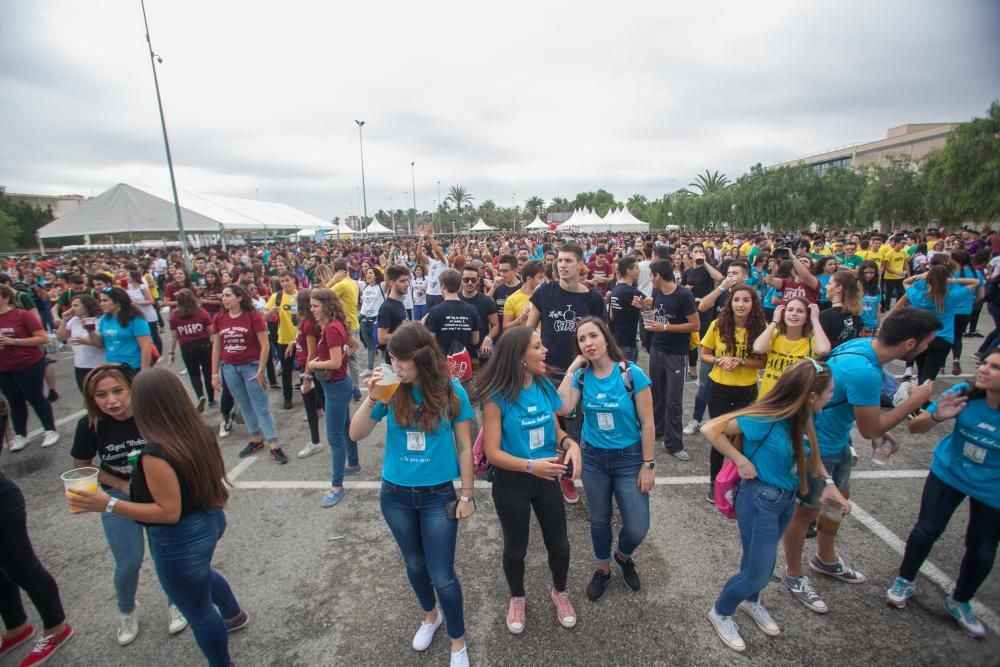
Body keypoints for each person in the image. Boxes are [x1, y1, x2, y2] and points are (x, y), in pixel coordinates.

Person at [67, 369, 249, 667]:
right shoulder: (194, 429)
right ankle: (233, 614)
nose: (118, 402)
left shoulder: (155, 452)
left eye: (127, 394)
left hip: (179, 537)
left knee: (199, 612)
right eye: (102, 395)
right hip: (209, 519)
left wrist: (107, 503)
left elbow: (167, 512)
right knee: (200, 574)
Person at [781, 307, 941, 614]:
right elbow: (871, 430)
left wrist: (881, 428)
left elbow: (864, 417)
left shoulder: (861, 346)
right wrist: (915, 401)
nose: (926, 349)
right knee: (804, 513)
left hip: (837, 441)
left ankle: (825, 559)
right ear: (910, 344)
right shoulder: (864, 371)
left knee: (836, 504)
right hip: (818, 446)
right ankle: (793, 573)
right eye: (926, 343)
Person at [349, 322, 475, 667]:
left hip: (438, 496)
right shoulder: (390, 389)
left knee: (443, 574)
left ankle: (457, 641)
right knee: (414, 564)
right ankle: (430, 616)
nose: (395, 366)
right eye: (391, 358)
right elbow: (356, 433)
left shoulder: (451, 389)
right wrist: (372, 396)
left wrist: (467, 495)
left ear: (421, 358)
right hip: (396, 494)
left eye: (400, 360)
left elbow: (465, 447)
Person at [703, 359, 833, 652]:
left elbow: (810, 456)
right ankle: (721, 611)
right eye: (829, 392)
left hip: (785, 500)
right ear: (811, 396)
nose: (831, 397)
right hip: (760, 498)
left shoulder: (805, 415)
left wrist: (830, 487)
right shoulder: (766, 417)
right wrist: (741, 460)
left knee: (761, 561)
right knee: (758, 572)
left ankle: (751, 601)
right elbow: (711, 428)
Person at [473, 326, 583, 634]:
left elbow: (557, 431)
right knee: (515, 549)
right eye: (537, 346)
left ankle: (560, 591)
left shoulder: (545, 387)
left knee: (559, 545)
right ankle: (517, 597)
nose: (545, 350)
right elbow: (493, 452)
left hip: (547, 478)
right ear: (520, 357)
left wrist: (568, 444)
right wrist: (530, 465)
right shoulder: (497, 397)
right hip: (512, 483)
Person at [886, 347, 1000, 638]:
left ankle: (960, 600)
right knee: (927, 529)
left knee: (983, 549)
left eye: (995, 367)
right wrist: (936, 417)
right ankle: (905, 579)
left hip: (992, 488)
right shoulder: (964, 393)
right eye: (985, 363)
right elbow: (914, 428)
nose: (984, 369)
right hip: (948, 472)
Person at [70, 366, 188, 645]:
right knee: (128, 562)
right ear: (91, 398)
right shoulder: (90, 425)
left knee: (166, 556)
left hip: (156, 494)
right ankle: (126, 610)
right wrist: (120, 486)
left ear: (132, 388)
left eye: (117, 391)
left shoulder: (150, 415)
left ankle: (176, 603)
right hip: (117, 496)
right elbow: (82, 466)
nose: (111, 400)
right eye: (101, 395)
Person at [557, 318, 655, 601]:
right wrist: (571, 369)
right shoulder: (582, 377)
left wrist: (648, 465)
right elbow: (563, 406)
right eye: (581, 339)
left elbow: (648, 423)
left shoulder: (632, 374)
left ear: (605, 338)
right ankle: (602, 569)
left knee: (637, 526)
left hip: (629, 459)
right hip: (594, 458)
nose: (588, 343)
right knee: (599, 520)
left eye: (593, 336)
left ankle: (623, 557)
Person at [526, 243, 605, 503]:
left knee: (575, 426)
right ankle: (544, 472)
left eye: (568, 260)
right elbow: (528, 331)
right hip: (547, 372)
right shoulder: (544, 292)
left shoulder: (592, 298)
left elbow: (604, 336)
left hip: (580, 374)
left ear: (581, 264)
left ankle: (568, 476)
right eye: (559, 260)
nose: (562, 265)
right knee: (546, 424)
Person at [0, 397, 75, 667]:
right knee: (4, 569)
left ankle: (56, 628)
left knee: (23, 569)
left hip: (3, 503)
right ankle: (16, 627)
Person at [700, 285, 767, 501]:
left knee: (742, 436)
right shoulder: (718, 324)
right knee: (719, 435)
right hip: (719, 387)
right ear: (730, 302)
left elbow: (763, 361)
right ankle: (715, 482)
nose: (741, 304)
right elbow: (705, 354)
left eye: (746, 300)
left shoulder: (760, 327)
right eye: (737, 300)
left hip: (746, 389)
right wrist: (719, 360)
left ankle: (737, 480)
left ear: (753, 304)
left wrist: (741, 361)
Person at [211, 285, 288, 464]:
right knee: (244, 405)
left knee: (261, 407)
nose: (224, 298)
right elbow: (216, 347)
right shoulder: (219, 318)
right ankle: (255, 439)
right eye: (222, 295)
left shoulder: (252, 316)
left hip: (251, 367)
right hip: (229, 367)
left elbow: (265, 345)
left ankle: (274, 444)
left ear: (239, 298)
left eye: (228, 295)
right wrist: (214, 374)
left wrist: (261, 370)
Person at [304, 288, 359, 507]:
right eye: (311, 306)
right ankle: (353, 464)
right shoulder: (335, 326)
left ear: (327, 305)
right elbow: (352, 346)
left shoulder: (331, 329)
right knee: (345, 428)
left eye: (315, 306)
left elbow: (335, 362)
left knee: (335, 438)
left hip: (335, 386)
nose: (312, 310)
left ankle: (337, 486)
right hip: (338, 384)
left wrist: (313, 363)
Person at [643, 259, 700, 461]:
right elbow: (655, 316)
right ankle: (658, 431)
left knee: (674, 400)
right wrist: (642, 306)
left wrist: (665, 328)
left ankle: (674, 444)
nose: (650, 279)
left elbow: (695, 325)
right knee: (657, 394)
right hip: (657, 349)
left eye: (651, 275)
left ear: (657, 276)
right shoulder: (657, 292)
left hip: (676, 353)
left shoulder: (684, 295)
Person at [896, 261, 979, 384]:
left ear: (928, 280)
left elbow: (905, 282)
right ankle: (922, 399)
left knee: (921, 370)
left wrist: (918, 276)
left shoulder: (919, 297)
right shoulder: (951, 296)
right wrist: (952, 281)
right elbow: (975, 282)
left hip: (921, 337)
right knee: (929, 375)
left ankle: (919, 397)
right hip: (943, 338)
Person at [0, 285, 59, 451]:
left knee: (35, 397)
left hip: (28, 364)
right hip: (4, 368)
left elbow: (42, 338)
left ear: (5, 299)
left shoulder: (21, 315)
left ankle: (50, 430)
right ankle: (21, 434)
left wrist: (15, 342)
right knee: (14, 401)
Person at [752, 297, 830, 398]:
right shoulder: (775, 335)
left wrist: (815, 320)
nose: (794, 313)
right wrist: (775, 321)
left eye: (800, 311)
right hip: (767, 399)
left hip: (793, 402)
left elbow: (823, 350)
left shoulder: (811, 341)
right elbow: (758, 348)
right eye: (790, 310)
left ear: (807, 317)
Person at [168, 289, 215, 412]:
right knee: (208, 372)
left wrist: (171, 352)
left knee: (193, 374)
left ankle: (200, 395)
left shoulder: (174, 315)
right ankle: (211, 399)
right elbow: (212, 330)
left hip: (187, 346)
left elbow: (174, 336)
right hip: (204, 344)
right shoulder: (201, 312)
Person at [87, 287, 153, 373]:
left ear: (118, 302)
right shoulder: (105, 318)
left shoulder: (135, 319)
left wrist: (144, 372)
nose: (101, 304)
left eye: (105, 300)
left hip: (132, 367)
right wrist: (90, 331)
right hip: (112, 366)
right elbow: (99, 343)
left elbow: (146, 347)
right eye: (101, 301)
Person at [293, 289, 327, 459]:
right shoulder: (305, 322)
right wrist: (294, 343)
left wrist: (306, 377)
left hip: (310, 369)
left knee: (316, 406)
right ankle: (317, 441)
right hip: (307, 367)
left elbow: (312, 352)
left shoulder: (308, 324)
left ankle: (316, 441)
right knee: (317, 406)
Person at [263, 271, 301, 410]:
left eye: (287, 280)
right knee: (286, 371)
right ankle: (287, 397)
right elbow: (264, 317)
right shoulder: (276, 296)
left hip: (301, 339)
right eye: (282, 281)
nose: (284, 283)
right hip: (284, 339)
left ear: (293, 280)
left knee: (305, 370)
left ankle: (307, 393)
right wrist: (272, 312)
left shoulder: (301, 296)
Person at [55, 293, 105, 391]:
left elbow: (100, 343)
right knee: (86, 395)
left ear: (87, 305)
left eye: (76, 305)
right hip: (81, 365)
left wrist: (86, 341)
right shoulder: (74, 320)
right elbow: (61, 337)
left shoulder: (100, 319)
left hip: (99, 365)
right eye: (72, 306)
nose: (73, 308)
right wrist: (64, 321)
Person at [426, 269, 480, 359]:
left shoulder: (435, 311)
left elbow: (430, 342)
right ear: (459, 286)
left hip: (443, 362)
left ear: (442, 285)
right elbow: (475, 340)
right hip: (464, 363)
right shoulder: (472, 309)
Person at [947, 251, 985, 375]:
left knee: (946, 335)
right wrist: (971, 301)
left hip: (949, 308)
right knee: (958, 336)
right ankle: (956, 359)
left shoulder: (950, 272)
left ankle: (941, 364)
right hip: (966, 309)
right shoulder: (976, 273)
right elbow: (981, 295)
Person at [459, 265, 499, 367]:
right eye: (466, 279)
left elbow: (495, 325)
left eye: (473, 280)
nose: (469, 283)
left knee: (483, 379)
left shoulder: (486, 301)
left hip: (481, 349)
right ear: (461, 280)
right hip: (459, 351)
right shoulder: (455, 299)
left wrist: (488, 338)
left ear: (478, 281)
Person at [608, 256, 645, 363]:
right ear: (628, 271)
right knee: (627, 377)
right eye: (636, 268)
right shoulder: (630, 292)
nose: (639, 271)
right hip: (626, 343)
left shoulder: (616, 289)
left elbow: (611, 315)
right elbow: (652, 301)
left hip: (618, 339)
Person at [818, 270, 864, 350]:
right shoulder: (857, 316)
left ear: (838, 288)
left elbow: (820, 347)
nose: (826, 286)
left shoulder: (825, 316)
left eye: (829, 283)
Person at [377, 265, 411, 361]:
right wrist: (409, 334)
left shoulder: (399, 302)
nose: (407, 284)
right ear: (392, 283)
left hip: (403, 356)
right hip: (394, 361)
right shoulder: (386, 308)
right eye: (402, 281)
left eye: (407, 280)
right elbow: (382, 338)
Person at [126, 270, 162, 355]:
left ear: (134, 277)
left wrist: (137, 303)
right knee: (143, 336)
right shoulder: (129, 289)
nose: (126, 278)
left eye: (128, 276)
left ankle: (158, 353)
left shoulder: (142, 287)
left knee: (154, 335)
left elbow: (151, 301)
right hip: (137, 316)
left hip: (148, 315)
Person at [501, 260, 544, 331]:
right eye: (540, 278)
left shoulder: (545, 296)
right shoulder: (512, 299)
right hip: (522, 340)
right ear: (529, 279)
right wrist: (520, 319)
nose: (543, 281)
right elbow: (505, 328)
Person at [358, 267, 386, 376]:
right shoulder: (364, 286)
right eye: (367, 273)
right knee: (370, 345)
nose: (367, 274)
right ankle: (370, 368)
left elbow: (388, 279)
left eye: (371, 273)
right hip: (365, 319)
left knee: (382, 345)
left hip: (377, 320)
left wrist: (386, 263)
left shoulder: (381, 286)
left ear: (376, 276)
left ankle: (385, 366)